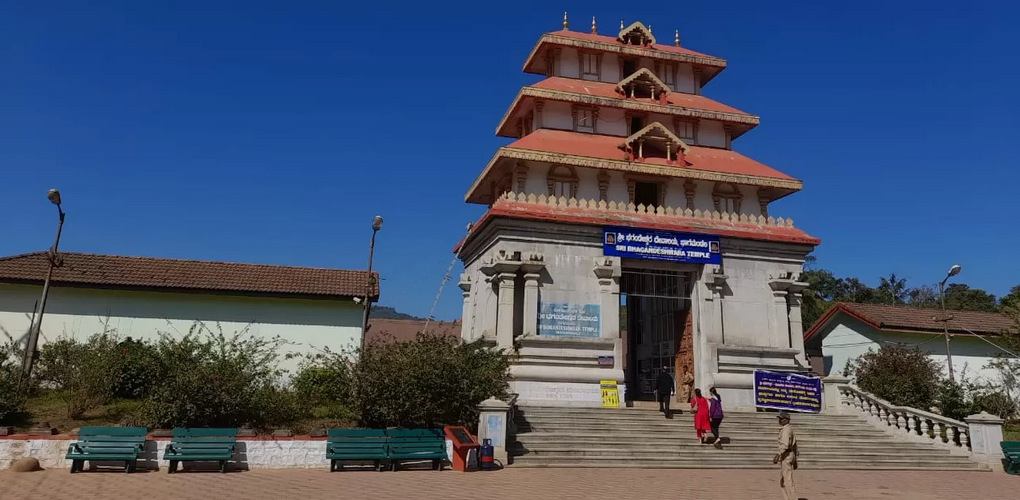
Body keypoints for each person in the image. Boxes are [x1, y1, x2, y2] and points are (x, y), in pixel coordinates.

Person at [773, 411, 798, 500]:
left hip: (786, 454)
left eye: (781, 419)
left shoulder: (786, 430)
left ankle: (793, 498)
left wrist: (778, 454)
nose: (779, 420)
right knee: (783, 481)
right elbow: (795, 445)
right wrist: (795, 460)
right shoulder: (789, 429)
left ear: (787, 420)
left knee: (787, 480)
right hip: (790, 454)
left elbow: (785, 444)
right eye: (779, 419)